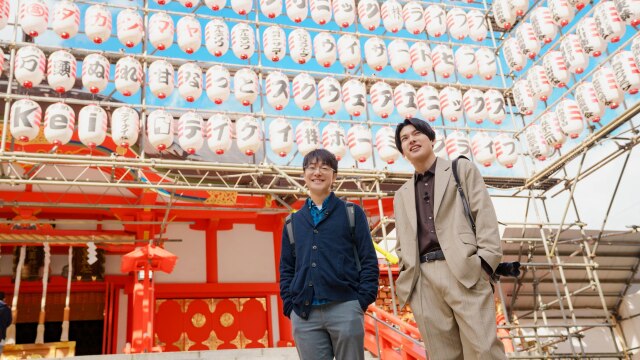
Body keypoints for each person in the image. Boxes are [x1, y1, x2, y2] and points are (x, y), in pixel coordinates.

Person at [393, 118, 506, 359]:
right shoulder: (401, 194)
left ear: (431, 139)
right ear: (402, 151)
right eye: (404, 139)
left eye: (417, 134)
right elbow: (402, 243)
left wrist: (484, 264)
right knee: (442, 354)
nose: (411, 140)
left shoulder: (460, 170)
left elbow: (484, 215)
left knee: (483, 350)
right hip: (422, 279)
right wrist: (408, 275)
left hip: (464, 270)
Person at [279, 149, 379, 360]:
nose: (318, 173)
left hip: (346, 307)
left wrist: (360, 301)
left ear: (334, 176)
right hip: (305, 314)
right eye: (312, 168)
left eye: (325, 168)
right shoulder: (292, 222)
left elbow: (368, 259)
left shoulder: (351, 213)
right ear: (303, 174)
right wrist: (290, 306)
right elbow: (287, 269)